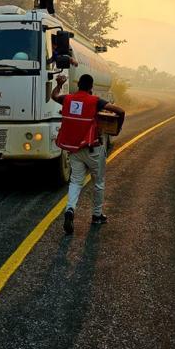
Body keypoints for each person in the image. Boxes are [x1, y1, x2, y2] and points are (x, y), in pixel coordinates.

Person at [52, 73, 125, 234]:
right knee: (98, 183)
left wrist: (58, 83)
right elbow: (119, 110)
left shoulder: (68, 99)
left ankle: (70, 210)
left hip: (74, 150)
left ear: (78, 85)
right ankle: (97, 215)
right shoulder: (95, 101)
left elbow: (54, 95)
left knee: (75, 182)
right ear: (91, 87)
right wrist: (117, 128)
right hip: (93, 150)